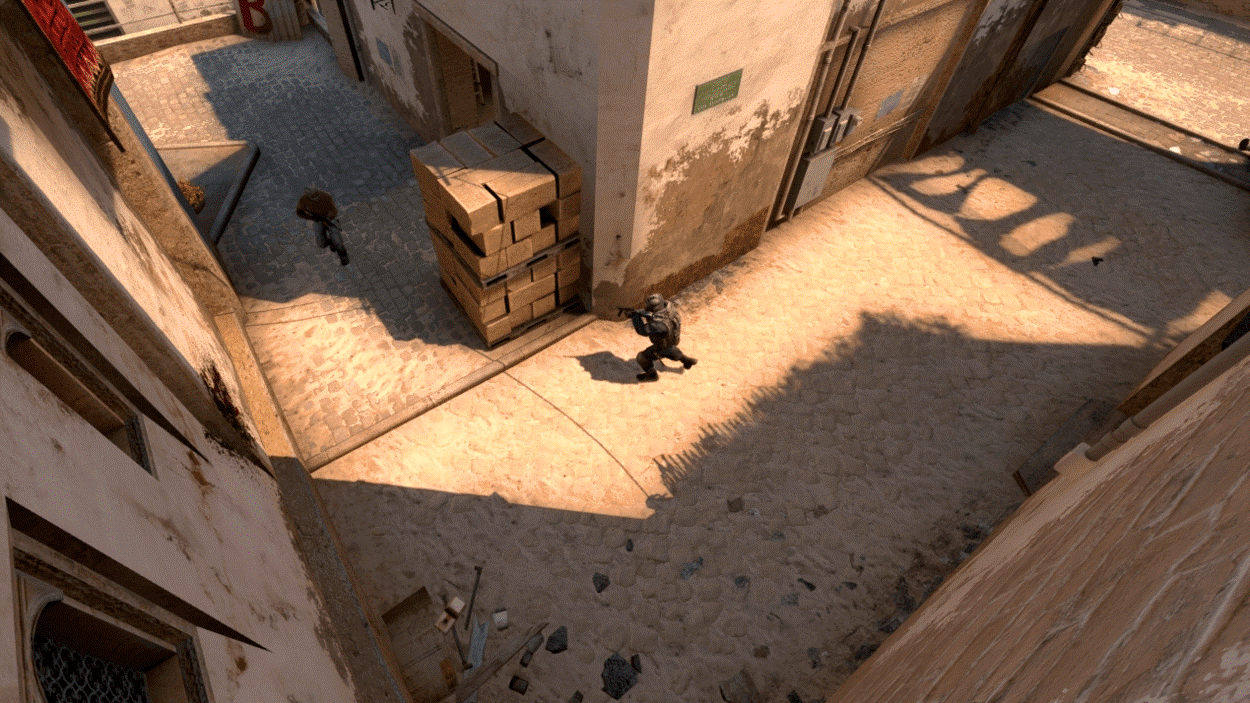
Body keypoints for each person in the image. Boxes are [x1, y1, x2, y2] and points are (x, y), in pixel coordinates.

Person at [624, 293, 696, 382]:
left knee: (642, 358)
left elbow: (642, 330)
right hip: (672, 339)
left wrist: (634, 317)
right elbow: (653, 314)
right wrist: (640, 312)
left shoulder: (659, 325)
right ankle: (688, 361)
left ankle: (652, 376)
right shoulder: (669, 308)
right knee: (672, 351)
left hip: (662, 345)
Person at [296, 188, 349, 265]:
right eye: (313, 196)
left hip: (330, 219)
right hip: (318, 221)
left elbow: (333, 209)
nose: (315, 197)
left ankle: (343, 257)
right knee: (321, 244)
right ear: (308, 196)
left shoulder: (326, 196)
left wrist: (329, 217)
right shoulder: (303, 199)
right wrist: (313, 218)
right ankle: (331, 242)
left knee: (338, 241)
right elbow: (299, 212)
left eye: (316, 195)